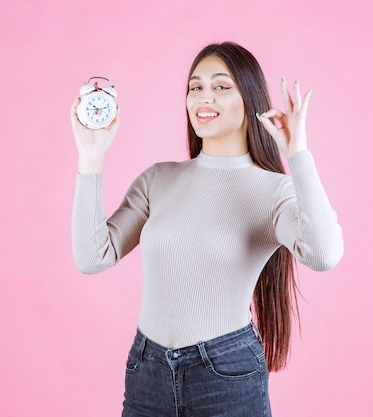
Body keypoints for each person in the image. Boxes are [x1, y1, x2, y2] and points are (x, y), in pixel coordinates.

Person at [70, 42, 344, 417]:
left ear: (249, 99)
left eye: (221, 86)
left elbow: (324, 254)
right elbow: (91, 256)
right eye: (195, 87)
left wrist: (298, 153)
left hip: (225, 374)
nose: (204, 97)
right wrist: (91, 155)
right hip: (146, 370)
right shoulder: (158, 180)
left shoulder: (273, 191)